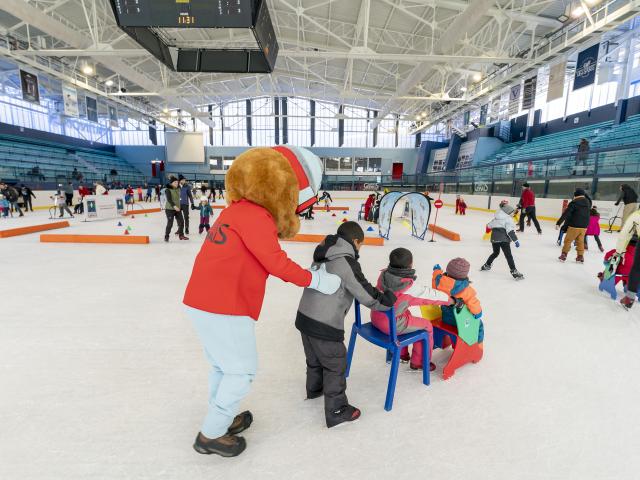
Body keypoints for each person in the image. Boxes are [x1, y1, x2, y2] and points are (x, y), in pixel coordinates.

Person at [182, 146, 338, 457]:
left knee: (222, 367)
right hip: (224, 305)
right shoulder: (256, 215)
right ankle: (211, 433)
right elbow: (276, 263)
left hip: (201, 301)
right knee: (241, 371)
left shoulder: (234, 210)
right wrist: (317, 279)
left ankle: (220, 418)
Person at [295, 221, 396, 428]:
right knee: (335, 364)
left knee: (314, 359)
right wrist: (386, 300)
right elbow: (365, 292)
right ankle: (337, 410)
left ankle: (314, 391)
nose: (360, 250)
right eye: (361, 245)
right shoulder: (345, 260)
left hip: (305, 317)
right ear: (356, 241)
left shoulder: (324, 252)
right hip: (324, 323)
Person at [371, 247, 450, 371]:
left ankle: (402, 354)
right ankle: (419, 362)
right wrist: (451, 300)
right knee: (426, 326)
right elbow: (429, 296)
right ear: (410, 264)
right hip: (391, 325)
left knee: (406, 313)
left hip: (376, 316)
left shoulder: (384, 274)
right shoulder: (408, 286)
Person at [432, 258, 484, 342]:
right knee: (479, 324)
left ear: (448, 271)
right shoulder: (466, 290)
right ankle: (476, 344)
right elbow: (473, 303)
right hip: (460, 322)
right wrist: (478, 313)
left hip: (445, 318)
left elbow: (435, 278)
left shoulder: (439, 282)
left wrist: (437, 270)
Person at [481, 202, 524, 280]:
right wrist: (516, 240)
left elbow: (488, 225)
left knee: (495, 253)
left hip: (494, 239)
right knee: (508, 256)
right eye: (511, 213)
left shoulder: (495, 219)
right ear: (507, 213)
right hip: (504, 240)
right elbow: (510, 231)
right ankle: (514, 271)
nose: (513, 214)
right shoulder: (508, 220)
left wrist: (487, 231)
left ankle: (487, 265)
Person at [614, 209, 640, 309]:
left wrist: (619, 251)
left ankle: (630, 298)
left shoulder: (637, 214)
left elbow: (625, 234)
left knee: (637, 269)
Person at [556, 188, 591, 263]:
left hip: (574, 225)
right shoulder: (588, 202)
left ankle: (564, 255)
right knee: (580, 241)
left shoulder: (574, 202)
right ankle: (580, 256)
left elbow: (566, 213)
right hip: (584, 226)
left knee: (568, 240)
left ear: (576, 194)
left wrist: (559, 223)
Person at [164, 176, 187, 242]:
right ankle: (167, 236)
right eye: (175, 182)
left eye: (177, 182)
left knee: (181, 222)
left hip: (177, 209)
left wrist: (181, 179)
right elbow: (169, 200)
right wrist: (174, 206)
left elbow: (182, 182)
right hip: (169, 209)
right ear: (171, 183)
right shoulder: (168, 190)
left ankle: (181, 235)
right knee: (170, 223)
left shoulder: (178, 188)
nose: (177, 183)